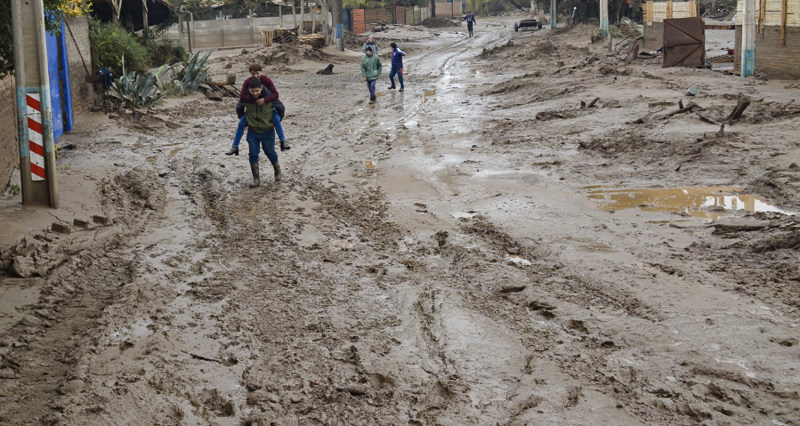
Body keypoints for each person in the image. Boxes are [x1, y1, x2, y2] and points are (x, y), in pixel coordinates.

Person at [225, 64, 289, 156]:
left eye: (257, 73)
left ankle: (283, 141)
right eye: (253, 73)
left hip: (268, 105)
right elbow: (242, 97)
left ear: (261, 72)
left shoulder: (267, 80)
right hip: (252, 107)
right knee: (241, 123)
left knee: (276, 119)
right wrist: (255, 101)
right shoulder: (247, 82)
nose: (255, 76)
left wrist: (265, 100)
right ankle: (235, 146)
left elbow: (275, 95)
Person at [242, 78, 282, 187]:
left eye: (257, 91)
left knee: (270, 151)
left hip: (267, 131)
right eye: (252, 91)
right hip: (253, 131)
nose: (255, 93)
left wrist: (276, 121)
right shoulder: (246, 99)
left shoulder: (270, 98)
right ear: (249, 89)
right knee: (253, 153)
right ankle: (256, 179)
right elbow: (239, 107)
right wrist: (245, 120)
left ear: (261, 88)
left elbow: (281, 108)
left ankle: (277, 168)